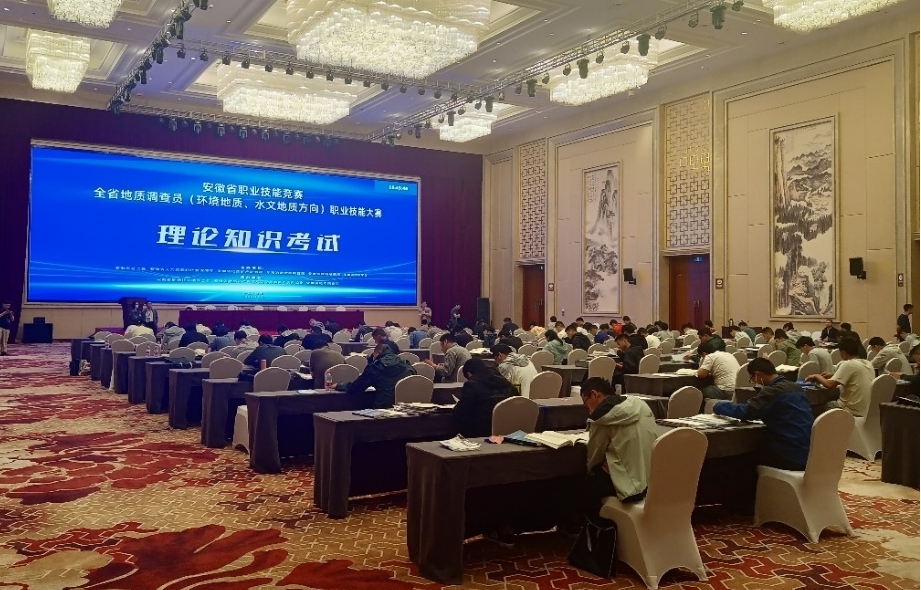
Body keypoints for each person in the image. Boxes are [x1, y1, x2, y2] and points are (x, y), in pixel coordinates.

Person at [713, 358, 814, 471]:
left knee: (737, 458)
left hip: (788, 455)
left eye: (752, 378)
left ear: (757, 374)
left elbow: (747, 411)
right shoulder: (796, 387)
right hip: (808, 454)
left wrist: (719, 406)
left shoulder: (772, 391)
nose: (754, 382)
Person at [576, 377, 658, 513]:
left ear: (595, 394)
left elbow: (595, 457)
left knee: (579, 484)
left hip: (629, 487)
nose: (589, 410)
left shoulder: (601, 417)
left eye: (586, 404)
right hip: (653, 481)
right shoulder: (639, 403)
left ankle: (599, 524)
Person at [806, 338, 874, 416]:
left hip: (851, 410)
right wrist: (834, 375)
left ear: (843, 353)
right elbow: (853, 375)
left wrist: (817, 376)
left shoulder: (848, 364)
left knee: (822, 406)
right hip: (867, 410)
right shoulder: (868, 363)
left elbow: (829, 384)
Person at [335, 343, 414, 408]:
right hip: (407, 409)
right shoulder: (406, 364)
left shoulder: (375, 367)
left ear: (378, 352)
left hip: (383, 409)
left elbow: (357, 387)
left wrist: (340, 385)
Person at [454, 358, 517, 437]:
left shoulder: (471, 385)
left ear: (469, 374)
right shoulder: (507, 383)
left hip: (480, 431)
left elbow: (462, 412)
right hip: (507, 430)